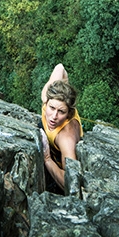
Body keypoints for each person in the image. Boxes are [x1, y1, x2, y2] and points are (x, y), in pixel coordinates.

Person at [40, 63, 83, 192]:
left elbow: (71, 183)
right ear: (46, 102)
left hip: (57, 160)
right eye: (51, 108)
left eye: (61, 112)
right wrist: (64, 85)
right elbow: (60, 67)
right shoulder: (47, 95)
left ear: (69, 113)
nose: (54, 116)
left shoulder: (66, 139)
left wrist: (47, 160)